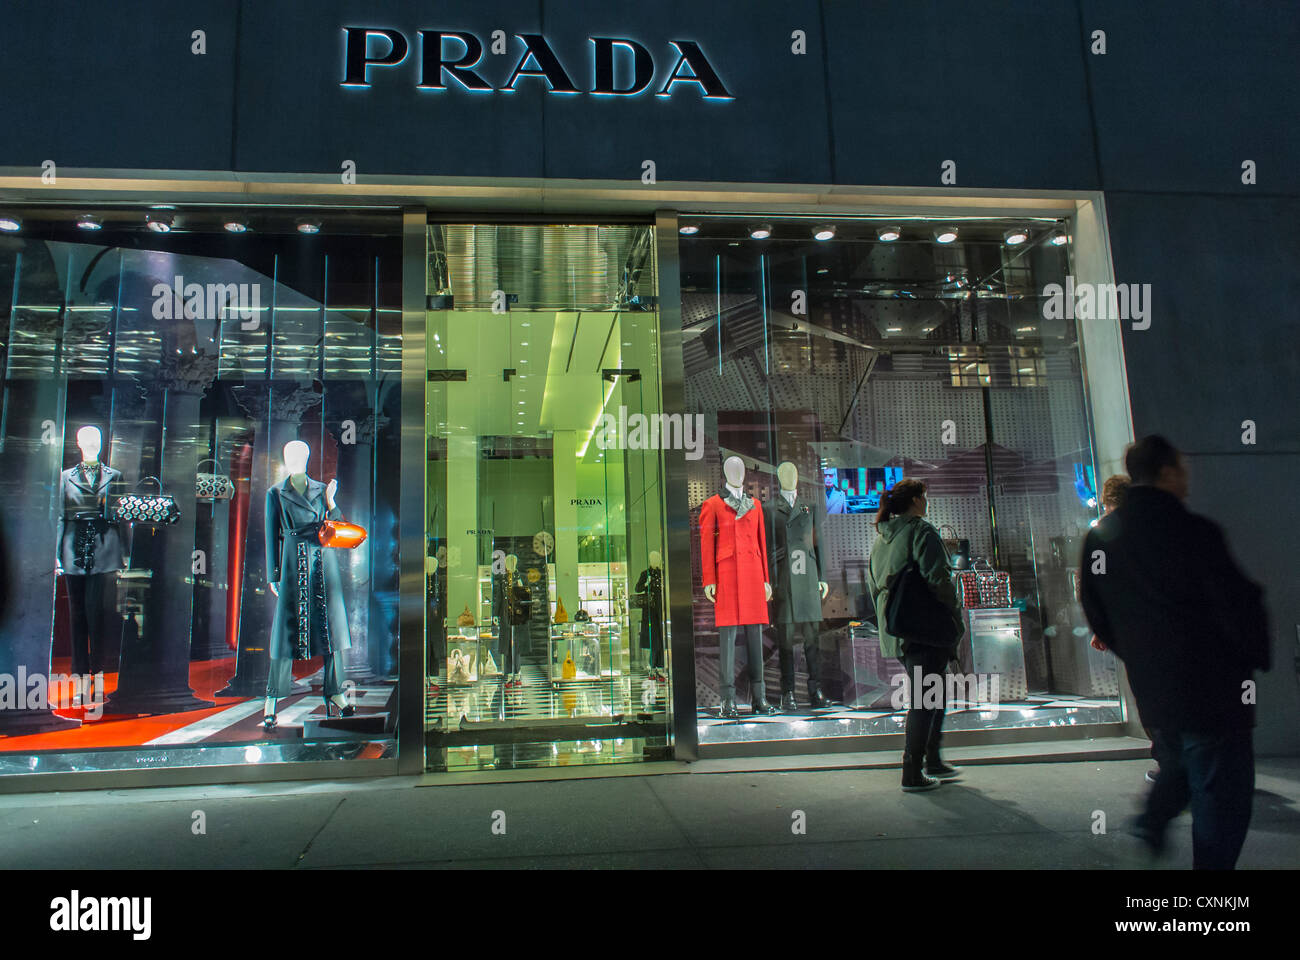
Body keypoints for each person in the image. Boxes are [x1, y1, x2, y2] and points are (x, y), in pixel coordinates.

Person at [1080, 436, 1270, 869]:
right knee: (1222, 788)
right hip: (1214, 680)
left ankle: (1154, 816)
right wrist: (1252, 654)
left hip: (1154, 679)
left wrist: (1135, 651)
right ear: (1166, 473)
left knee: (1181, 758)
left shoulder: (1102, 540)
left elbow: (1095, 606)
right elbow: (1234, 603)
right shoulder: (1196, 531)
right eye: (1182, 469)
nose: (1187, 478)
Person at [867, 478, 964, 792]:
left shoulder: (882, 538)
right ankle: (913, 769)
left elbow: (874, 586)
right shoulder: (922, 532)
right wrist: (954, 614)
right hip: (925, 627)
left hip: (897, 627)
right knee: (926, 698)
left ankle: (932, 758)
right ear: (918, 500)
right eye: (926, 496)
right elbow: (939, 579)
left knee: (933, 691)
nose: (928, 501)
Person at [1089, 474, 1160, 783]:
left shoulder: (1106, 532)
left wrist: (1100, 627)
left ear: (1107, 501)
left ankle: (1168, 759)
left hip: (1133, 628)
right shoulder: (1154, 527)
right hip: (1164, 625)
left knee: (1147, 695)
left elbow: (1101, 585)